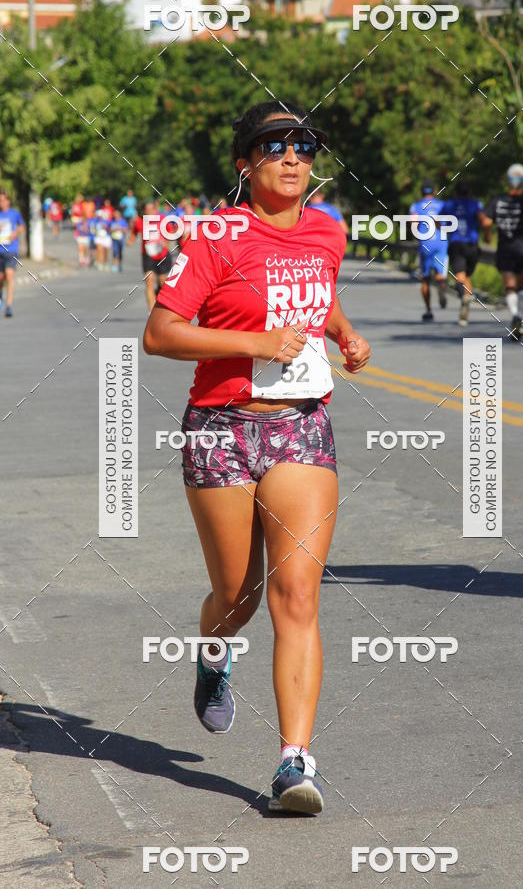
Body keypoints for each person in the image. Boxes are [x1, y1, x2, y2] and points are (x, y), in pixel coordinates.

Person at [143, 100, 370, 815]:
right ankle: (214, 652)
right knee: (237, 597)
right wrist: (256, 343)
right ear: (246, 162)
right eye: (275, 145)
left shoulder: (327, 233)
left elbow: (316, 298)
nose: (294, 156)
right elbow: (161, 333)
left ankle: (294, 763)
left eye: (304, 144)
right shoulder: (217, 235)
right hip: (219, 426)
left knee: (296, 595)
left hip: (302, 427)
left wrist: (345, 334)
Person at [481, 164, 523, 341]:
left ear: (507, 181)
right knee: (521, 283)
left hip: (505, 247)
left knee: (510, 285)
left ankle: (515, 315)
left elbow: (486, 222)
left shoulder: (497, 200)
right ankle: (521, 316)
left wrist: (488, 235)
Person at [441, 182, 487, 326]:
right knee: (467, 276)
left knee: (459, 277)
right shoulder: (475, 204)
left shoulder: (449, 204)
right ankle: (465, 302)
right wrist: (487, 235)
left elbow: (437, 221)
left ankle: (464, 297)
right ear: (469, 192)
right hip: (472, 244)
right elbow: (484, 221)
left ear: (455, 193)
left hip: (456, 243)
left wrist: (445, 230)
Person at [409, 180, 449, 321]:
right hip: (441, 243)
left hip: (425, 244)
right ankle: (441, 285)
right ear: (434, 191)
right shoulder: (442, 205)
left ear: (422, 192)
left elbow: (413, 224)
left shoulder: (416, 206)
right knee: (440, 274)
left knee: (425, 279)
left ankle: (428, 310)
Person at [128, 200, 172, 310]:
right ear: (143, 211)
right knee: (149, 281)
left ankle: (159, 295)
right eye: (146, 210)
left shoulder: (162, 219)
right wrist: (130, 241)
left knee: (162, 282)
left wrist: (166, 242)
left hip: (162, 254)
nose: (149, 212)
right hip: (147, 255)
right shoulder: (139, 221)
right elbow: (134, 233)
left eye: (151, 210)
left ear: (155, 209)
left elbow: (171, 231)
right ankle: (152, 312)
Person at [0, 191, 25, 317]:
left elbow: (21, 227)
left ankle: (8, 306)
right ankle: (1, 295)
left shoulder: (14, 213)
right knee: (0, 278)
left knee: (9, 276)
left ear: (8, 201)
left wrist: (15, 234)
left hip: (11, 250)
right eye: (0, 201)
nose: (2, 203)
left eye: (4, 200)